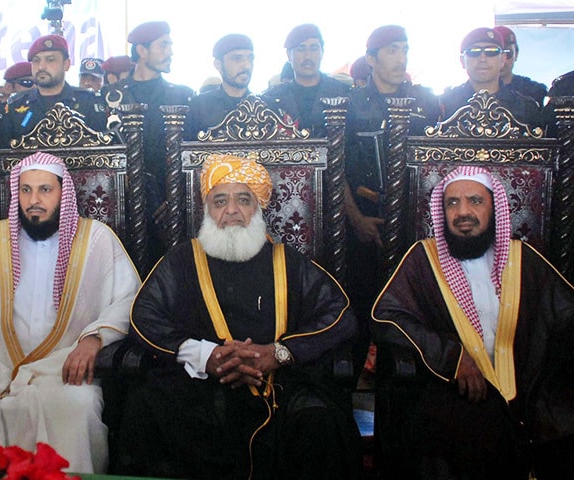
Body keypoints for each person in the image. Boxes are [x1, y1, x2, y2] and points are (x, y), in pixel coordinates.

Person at [116, 154, 362, 479]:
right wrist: (205, 356)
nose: (231, 210)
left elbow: (340, 316)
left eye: (243, 199)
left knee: (320, 419)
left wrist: (278, 353)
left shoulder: (287, 262)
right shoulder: (181, 261)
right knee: (145, 406)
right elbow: (144, 318)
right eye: (220, 201)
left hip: (277, 387)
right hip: (200, 387)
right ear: (207, 209)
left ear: (258, 208)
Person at [0, 152, 141, 473]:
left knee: (79, 406)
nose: (34, 200)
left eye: (45, 190)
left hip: (62, 369)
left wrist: (94, 340)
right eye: (26, 190)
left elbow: (128, 300)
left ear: (64, 194)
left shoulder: (96, 239)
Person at [372, 166, 574, 479]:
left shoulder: (523, 259)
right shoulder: (423, 260)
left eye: (475, 201)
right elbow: (386, 318)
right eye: (452, 203)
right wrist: (453, 358)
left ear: (496, 207)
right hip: (456, 392)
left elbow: (565, 315)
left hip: (528, 390)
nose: (463, 212)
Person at [344, 25, 441, 341]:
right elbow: (334, 171)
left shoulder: (424, 102)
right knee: (358, 309)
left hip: (414, 224)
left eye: (404, 50)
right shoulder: (348, 105)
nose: (400, 59)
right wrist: (356, 219)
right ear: (371, 59)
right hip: (361, 222)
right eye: (391, 51)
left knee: (411, 314)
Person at [101, 21, 193, 259]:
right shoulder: (113, 94)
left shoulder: (182, 94)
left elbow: (191, 153)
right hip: (123, 205)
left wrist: (177, 194)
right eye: (163, 45)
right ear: (142, 51)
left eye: (170, 45)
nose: (170, 52)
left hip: (170, 204)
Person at [0, 35, 106, 147]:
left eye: (50, 60)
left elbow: (103, 148)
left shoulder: (89, 102)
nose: (41, 67)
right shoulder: (16, 104)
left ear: (66, 64)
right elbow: (4, 152)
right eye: (36, 61)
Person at [440, 28, 542, 129]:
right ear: (462, 60)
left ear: (503, 59)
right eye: (474, 52)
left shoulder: (526, 108)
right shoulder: (445, 104)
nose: (482, 59)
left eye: (491, 51)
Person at [261, 24, 350, 137]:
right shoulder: (272, 99)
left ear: (322, 52)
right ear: (289, 55)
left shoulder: (343, 93)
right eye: (300, 49)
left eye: (313, 48)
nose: (308, 56)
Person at [185, 34, 255, 140]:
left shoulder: (266, 106)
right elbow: (187, 153)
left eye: (250, 58)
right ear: (218, 64)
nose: (246, 65)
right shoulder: (199, 107)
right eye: (237, 59)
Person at [493, 26, 547, 106]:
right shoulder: (471, 91)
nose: (502, 60)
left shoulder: (535, 91)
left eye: (508, 53)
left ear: (516, 54)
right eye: (495, 53)